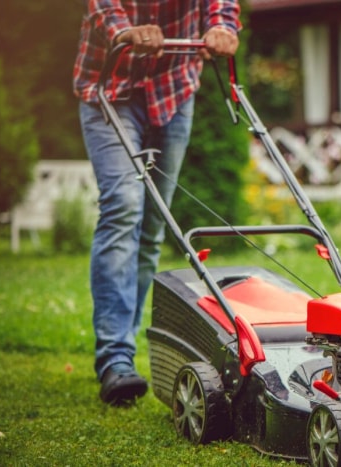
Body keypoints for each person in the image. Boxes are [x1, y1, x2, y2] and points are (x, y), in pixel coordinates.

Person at [73, 0, 241, 405]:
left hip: (173, 91)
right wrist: (124, 30)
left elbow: (221, 4)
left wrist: (221, 27)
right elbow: (104, 6)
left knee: (151, 227)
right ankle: (116, 358)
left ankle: (122, 355)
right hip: (109, 89)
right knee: (124, 206)